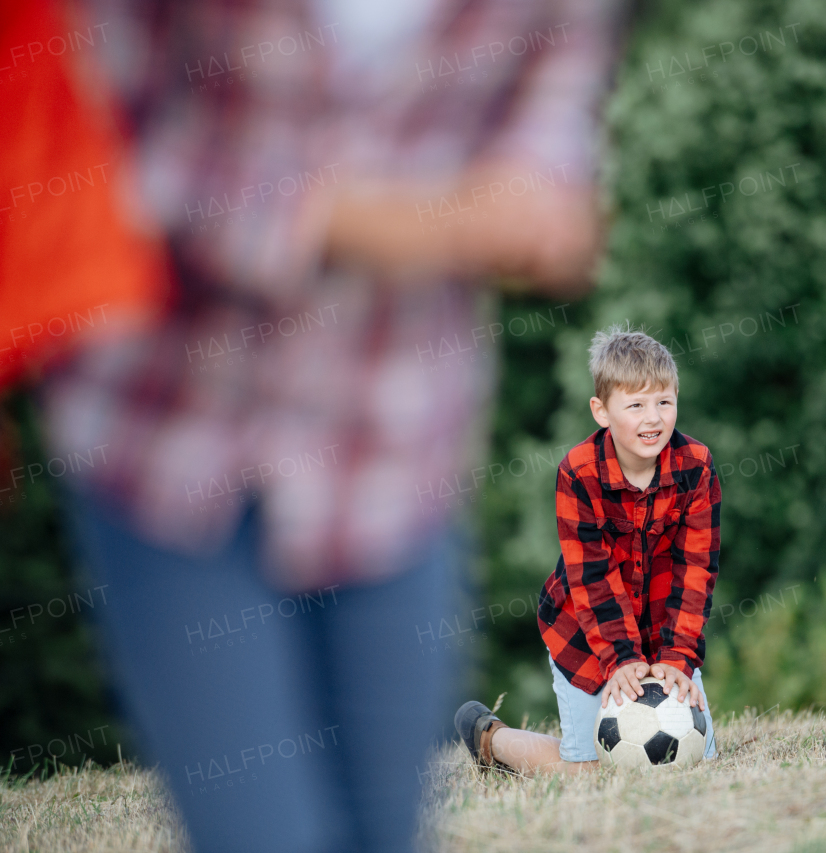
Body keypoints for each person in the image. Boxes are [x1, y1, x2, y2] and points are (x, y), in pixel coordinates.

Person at [38, 1, 625, 851]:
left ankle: (490, 738)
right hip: (171, 443)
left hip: (396, 452)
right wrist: (416, 222)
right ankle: (495, 739)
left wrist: (541, 202)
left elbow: (548, 121)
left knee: (383, 834)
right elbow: (101, 138)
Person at [454, 324, 721, 774]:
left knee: (694, 761)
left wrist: (677, 659)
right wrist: (621, 661)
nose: (652, 418)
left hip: (664, 633)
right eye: (635, 405)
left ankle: (662, 681)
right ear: (602, 411)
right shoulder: (579, 473)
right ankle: (492, 741)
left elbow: (696, 569)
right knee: (596, 770)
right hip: (584, 634)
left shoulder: (696, 466)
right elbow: (591, 578)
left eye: (664, 402)